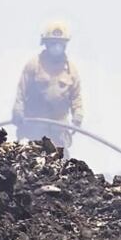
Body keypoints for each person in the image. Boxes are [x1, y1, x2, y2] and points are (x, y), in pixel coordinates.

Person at [11, 21, 84, 150]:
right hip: (34, 125)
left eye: (60, 44)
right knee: (29, 157)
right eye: (53, 43)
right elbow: (21, 90)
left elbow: (76, 97)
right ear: (46, 43)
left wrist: (78, 116)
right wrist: (18, 110)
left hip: (59, 129)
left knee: (59, 162)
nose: (56, 47)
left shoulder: (70, 70)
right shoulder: (34, 65)